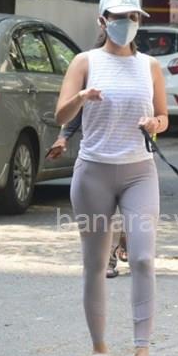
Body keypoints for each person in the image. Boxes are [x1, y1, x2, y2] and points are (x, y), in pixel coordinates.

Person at [54, 0, 169, 356]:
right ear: (102, 21)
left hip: (139, 172)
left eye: (133, 17)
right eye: (119, 17)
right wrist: (82, 97)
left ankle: (142, 355)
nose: (127, 23)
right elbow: (60, 114)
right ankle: (99, 350)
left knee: (142, 259)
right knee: (96, 265)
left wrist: (154, 124)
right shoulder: (85, 62)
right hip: (94, 173)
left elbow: (163, 116)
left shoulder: (150, 66)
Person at [47, 114, 129, 279]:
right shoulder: (94, 95)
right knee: (106, 212)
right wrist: (63, 137)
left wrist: (154, 123)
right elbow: (77, 111)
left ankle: (126, 236)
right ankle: (108, 260)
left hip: (137, 156)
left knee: (134, 213)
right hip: (100, 157)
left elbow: (159, 114)